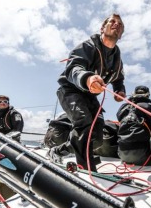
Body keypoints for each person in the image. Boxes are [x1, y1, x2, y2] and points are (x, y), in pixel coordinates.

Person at [51, 13, 126, 171]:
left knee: (97, 137)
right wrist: (88, 78)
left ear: (121, 34)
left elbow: (119, 78)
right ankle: (86, 168)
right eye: (112, 21)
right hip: (70, 89)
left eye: (120, 24)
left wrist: (119, 90)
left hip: (90, 97)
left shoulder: (117, 58)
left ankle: (58, 151)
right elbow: (74, 67)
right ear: (102, 28)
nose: (116, 24)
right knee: (84, 123)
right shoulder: (89, 46)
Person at [116, 85, 151, 165]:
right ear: (148, 94)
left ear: (134, 93)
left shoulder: (123, 107)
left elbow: (119, 119)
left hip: (122, 155)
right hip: (145, 157)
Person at [0, 95, 24, 198]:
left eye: (5, 101)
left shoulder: (14, 114)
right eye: (0, 101)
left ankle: (24, 191)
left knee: (14, 169)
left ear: (8, 103)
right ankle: (5, 193)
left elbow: (17, 130)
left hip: (12, 146)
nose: (3, 103)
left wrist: (3, 138)